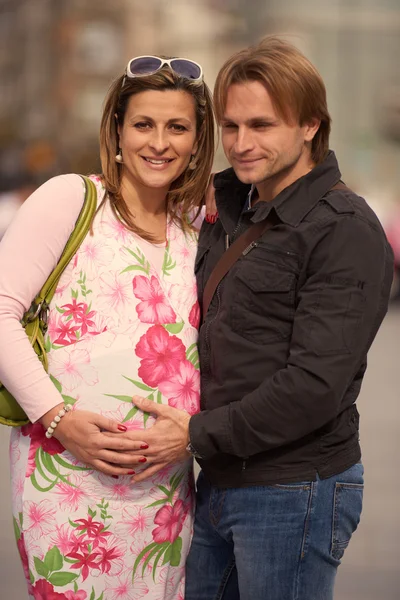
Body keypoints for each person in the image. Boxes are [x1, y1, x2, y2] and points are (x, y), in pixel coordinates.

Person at [126, 37, 394, 599]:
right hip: (221, 478)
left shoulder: (342, 228)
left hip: (295, 487)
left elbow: (315, 386)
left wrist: (195, 434)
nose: (242, 144)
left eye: (262, 125)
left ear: (310, 127)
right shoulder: (227, 207)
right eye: (230, 126)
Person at [0, 55, 214, 599]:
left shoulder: (197, 230)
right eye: (144, 124)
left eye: (178, 127)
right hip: (67, 480)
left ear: (197, 141)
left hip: (165, 495)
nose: (159, 142)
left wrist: (191, 435)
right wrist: (58, 418)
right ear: (117, 130)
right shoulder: (72, 199)